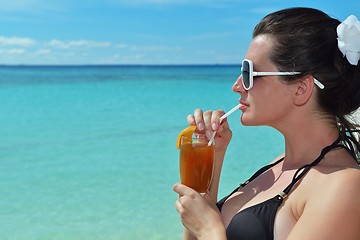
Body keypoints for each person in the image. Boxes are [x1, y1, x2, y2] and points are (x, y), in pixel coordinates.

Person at [173, 7, 360, 240]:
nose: (237, 85)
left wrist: (210, 231)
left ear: (301, 88)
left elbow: (209, 232)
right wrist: (212, 157)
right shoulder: (277, 168)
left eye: (248, 72)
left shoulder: (344, 186)